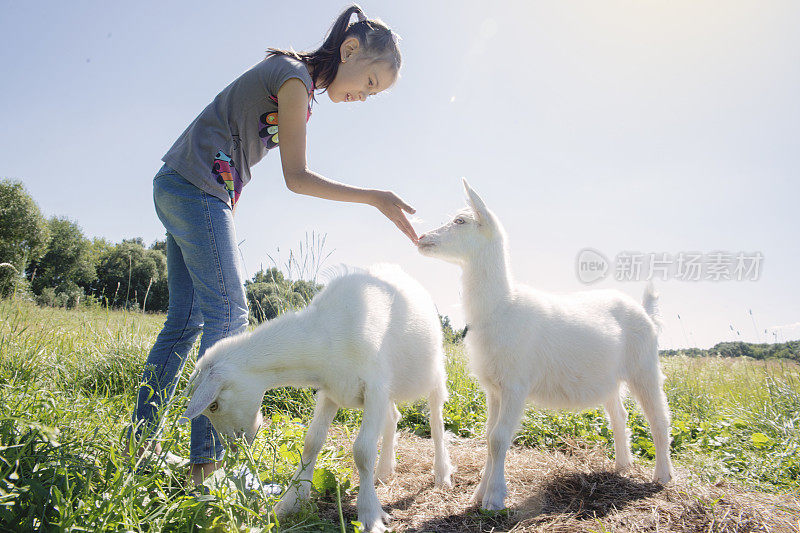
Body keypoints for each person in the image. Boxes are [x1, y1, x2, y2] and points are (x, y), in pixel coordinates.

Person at [128, 4, 415, 487]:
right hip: (197, 189)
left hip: (181, 184)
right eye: (370, 83)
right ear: (350, 50)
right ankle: (207, 469)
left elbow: (240, 149)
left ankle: (137, 447)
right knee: (230, 316)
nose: (365, 98)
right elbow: (297, 178)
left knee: (185, 322)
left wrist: (226, 206)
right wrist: (375, 198)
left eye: (375, 95)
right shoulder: (294, 80)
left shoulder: (295, 83)